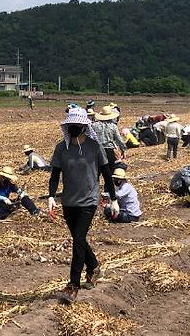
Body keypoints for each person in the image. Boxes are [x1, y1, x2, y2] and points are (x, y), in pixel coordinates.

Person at [48, 107, 118, 303]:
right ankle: (94, 267)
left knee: (78, 240)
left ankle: (73, 285)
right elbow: (55, 175)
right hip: (68, 202)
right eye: (70, 126)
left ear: (84, 127)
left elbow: (106, 174)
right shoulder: (61, 148)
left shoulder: (95, 148)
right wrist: (52, 196)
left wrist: (113, 199)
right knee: (79, 240)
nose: (73, 129)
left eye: (77, 126)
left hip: (88, 201)